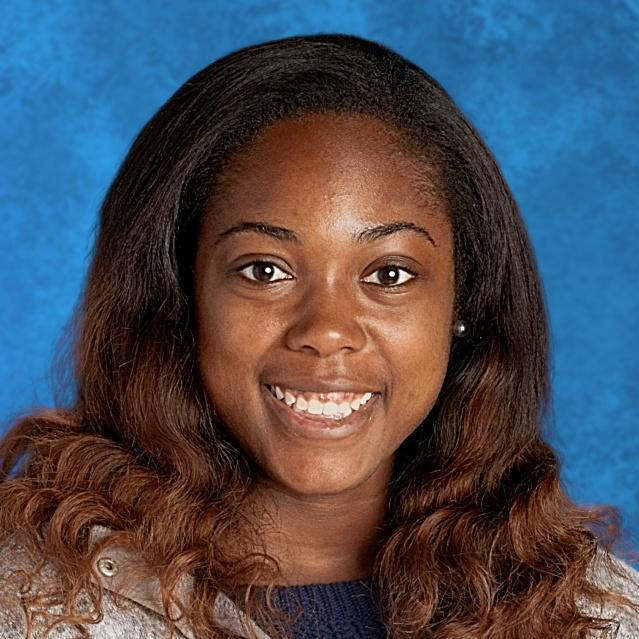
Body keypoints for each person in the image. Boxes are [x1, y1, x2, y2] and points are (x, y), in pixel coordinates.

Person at [0, 33, 637, 639]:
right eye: (264, 271)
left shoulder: (596, 615)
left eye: (389, 274)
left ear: (461, 305)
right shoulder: (34, 609)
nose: (327, 332)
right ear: (179, 297)